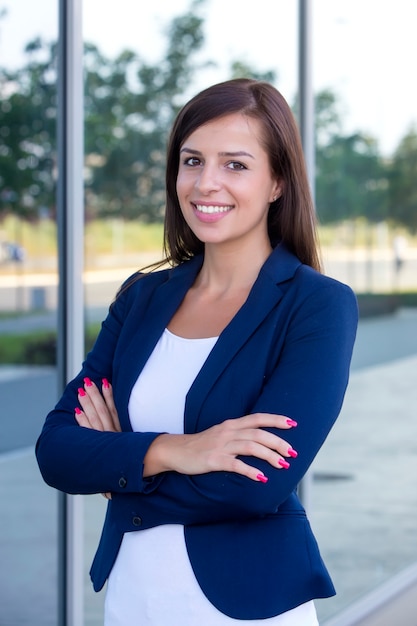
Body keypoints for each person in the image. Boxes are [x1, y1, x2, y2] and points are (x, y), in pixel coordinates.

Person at [36, 78, 358, 625]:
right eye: (192, 161)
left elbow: (256, 487)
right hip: (133, 601)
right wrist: (173, 451)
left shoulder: (316, 306)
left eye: (235, 164)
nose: (206, 183)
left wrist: (121, 469)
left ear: (277, 181)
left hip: (247, 609)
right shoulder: (143, 297)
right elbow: (57, 450)